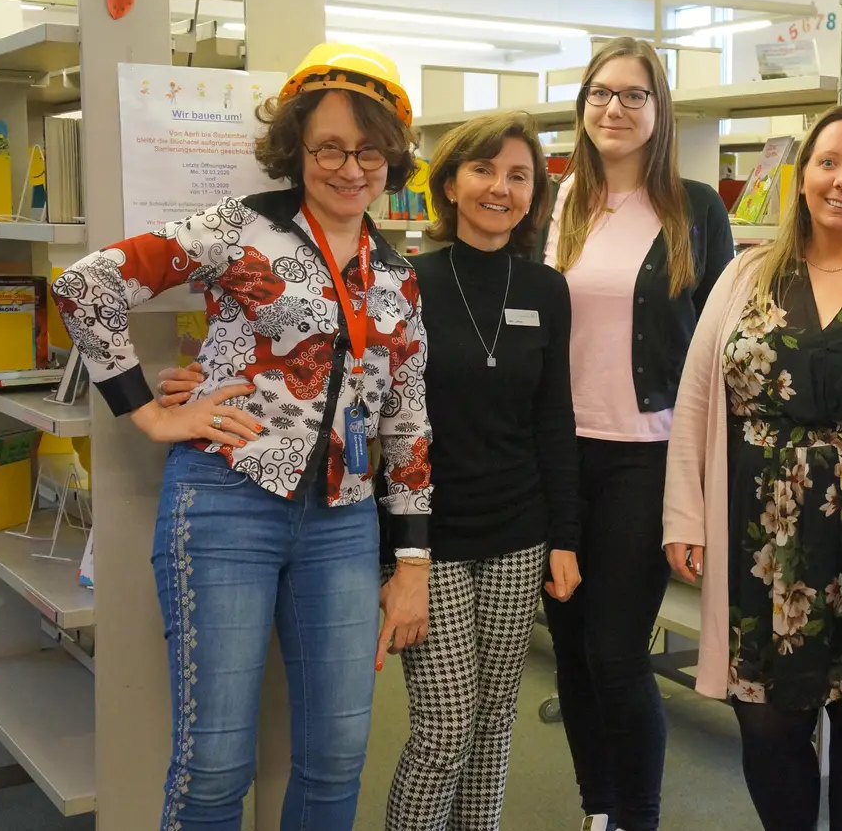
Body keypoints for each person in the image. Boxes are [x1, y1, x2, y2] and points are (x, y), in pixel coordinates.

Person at [160, 110, 581, 830]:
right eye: (483, 170)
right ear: (448, 182)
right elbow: (329, 373)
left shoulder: (546, 290)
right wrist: (201, 386)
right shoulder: (398, 277)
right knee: (444, 731)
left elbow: (554, 418)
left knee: (493, 726)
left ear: (538, 193)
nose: (499, 189)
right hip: (432, 535)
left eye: (519, 176)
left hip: (520, 530)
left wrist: (565, 534)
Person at [50, 43, 433, 831]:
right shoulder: (240, 229)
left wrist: (414, 562)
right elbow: (86, 284)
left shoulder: (396, 275)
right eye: (329, 146)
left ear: (392, 157)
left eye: (369, 150)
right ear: (297, 146)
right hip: (228, 503)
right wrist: (150, 413)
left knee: (336, 757)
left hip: (345, 523)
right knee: (216, 760)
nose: (349, 168)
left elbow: (408, 422)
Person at [663, 103, 842, 831]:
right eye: (828, 162)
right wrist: (685, 514)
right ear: (801, 175)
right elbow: (695, 400)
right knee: (767, 718)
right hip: (758, 533)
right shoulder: (748, 274)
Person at [542, 36, 734, 831]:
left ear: (660, 110)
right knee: (575, 656)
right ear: (582, 106)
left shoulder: (695, 207)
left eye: (633, 95)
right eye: (599, 94)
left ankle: (639, 817)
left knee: (617, 654)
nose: (614, 109)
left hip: (646, 457)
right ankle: (599, 811)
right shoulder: (555, 202)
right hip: (556, 455)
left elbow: (728, 340)